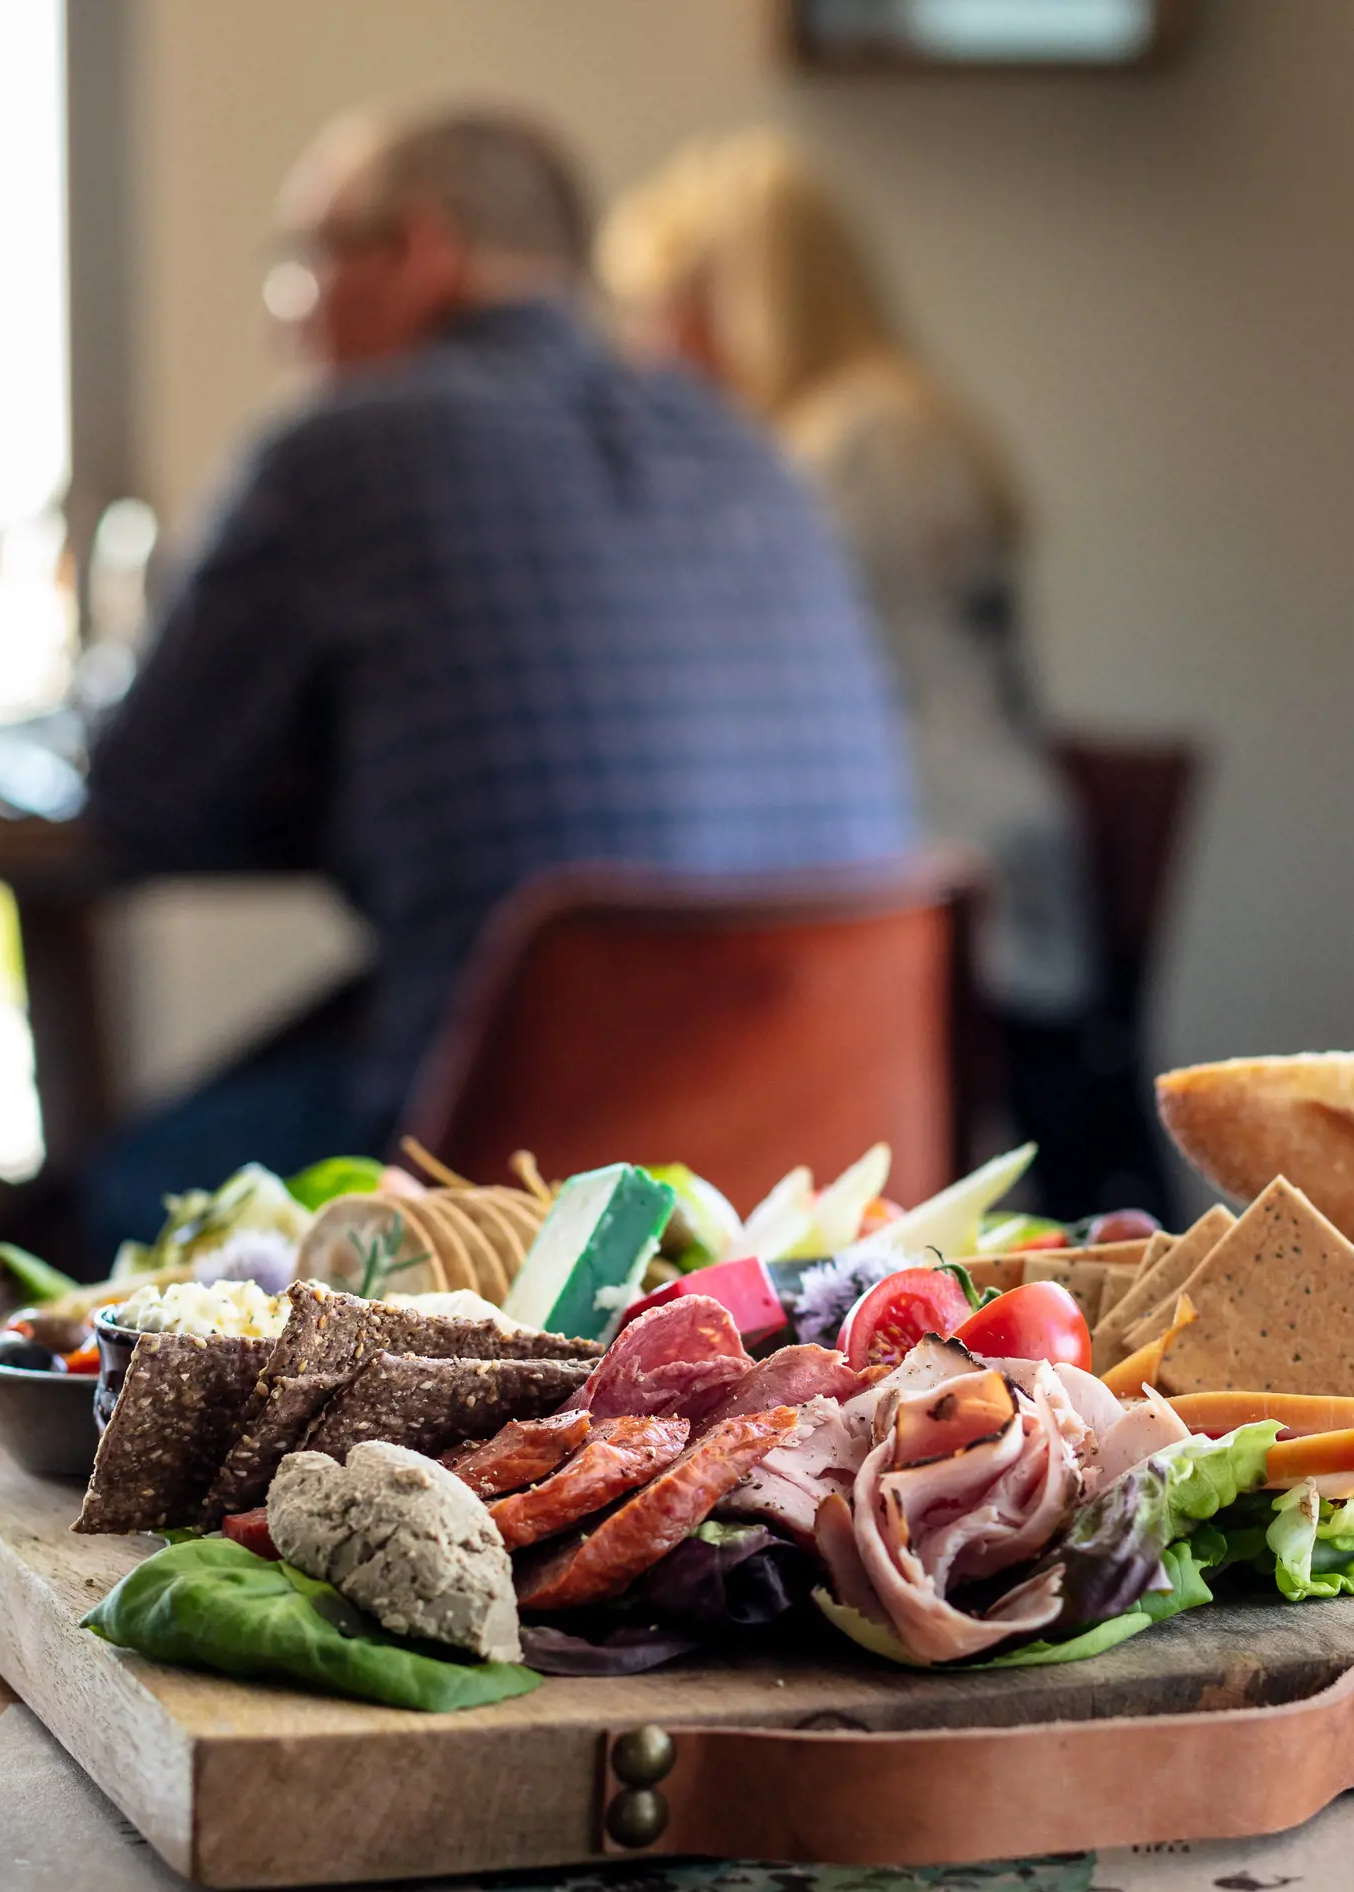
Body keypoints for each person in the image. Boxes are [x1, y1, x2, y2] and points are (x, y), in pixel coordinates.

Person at [82, 105, 918, 1247]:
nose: (294, 317)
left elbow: (140, 800)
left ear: (416, 251)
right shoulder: (750, 448)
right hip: (816, 1172)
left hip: (513, 1185)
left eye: (308, 263)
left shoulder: (346, 449)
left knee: (130, 1181)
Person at [599, 131, 1158, 1215]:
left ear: (738, 300)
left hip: (937, 876)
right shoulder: (900, 419)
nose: (642, 350)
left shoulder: (844, 449)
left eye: (660, 307)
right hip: (993, 860)